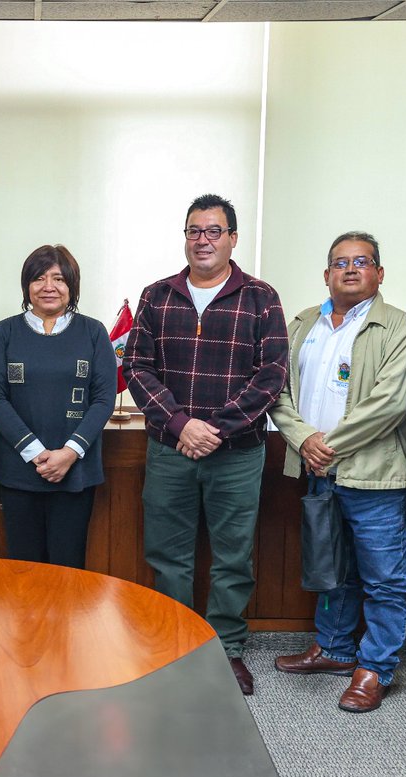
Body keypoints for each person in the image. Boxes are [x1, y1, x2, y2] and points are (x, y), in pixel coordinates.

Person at [122, 193, 288, 695]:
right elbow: (136, 367)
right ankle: (176, 644)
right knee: (168, 554)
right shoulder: (156, 296)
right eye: (194, 230)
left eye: (214, 231)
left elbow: (272, 375)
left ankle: (226, 649)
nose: (203, 240)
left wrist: (213, 427)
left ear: (233, 238)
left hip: (237, 454)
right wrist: (179, 424)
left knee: (233, 555)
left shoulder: (261, 297)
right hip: (170, 450)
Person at [268, 232, 406, 713]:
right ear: (326, 274)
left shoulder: (399, 328)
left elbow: (392, 403)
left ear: (379, 272)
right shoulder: (300, 325)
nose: (350, 269)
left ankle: (375, 668)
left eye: (362, 261)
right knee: (332, 570)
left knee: (384, 580)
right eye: (340, 262)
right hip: (318, 471)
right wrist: (304, 440)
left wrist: (326, 445)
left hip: (376, 476)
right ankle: (334, 649)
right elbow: (276, 392)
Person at [0, 245, 117, 568]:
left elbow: (103, 399)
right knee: (23, 569)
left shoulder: (93, 332)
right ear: (27, 285)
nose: (48, 287)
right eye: (39, 278)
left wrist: (68, 454)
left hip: (74, 473)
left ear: (72, 286)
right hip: (18, 471)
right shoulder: (5, 332)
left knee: (68, 568)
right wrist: (36, 453)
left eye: (58, 279)